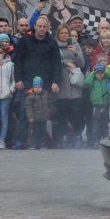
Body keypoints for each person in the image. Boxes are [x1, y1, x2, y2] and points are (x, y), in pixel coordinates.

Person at [12, 15, 61, 150]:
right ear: (34, 27)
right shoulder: (25, 40)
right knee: (24, 112)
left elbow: (57, 64)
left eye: (44, 27)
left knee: (42, 114)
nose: (42, 29)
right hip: (27, 82)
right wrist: (18, 79)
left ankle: (37, 141)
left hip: (45, 83)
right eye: (39, 26)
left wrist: (55, 82)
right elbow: (18, 61)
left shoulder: (52, 43)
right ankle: (22, 140)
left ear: (47, 28)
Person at [55, 25, 85, 148]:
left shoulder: (76, 45)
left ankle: (77, 136)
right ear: (58, 34)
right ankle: (64, 136)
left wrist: (75, 53)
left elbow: (82, 63)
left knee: (75, 113)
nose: (64, 35)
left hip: (74, 84)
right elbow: (54, 61)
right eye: (61, 33)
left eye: (66, 33)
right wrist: (65, 63)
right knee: (61, 113)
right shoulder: (54, 46)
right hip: (61, 82)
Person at [84, 64, 110, 148]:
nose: (100, 74)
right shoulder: (93, 83)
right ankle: (96, 141)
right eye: (98, 73)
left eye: (101, 72)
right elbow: (87, 82)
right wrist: (92, 73)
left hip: (106, 105)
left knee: (105, 123)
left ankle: (105, 140)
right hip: (96, 106)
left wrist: (105, 72)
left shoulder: (106, 80)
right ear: (95, 73)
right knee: (96, 125)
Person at [25, 76, 50, 150]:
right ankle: (33, 144)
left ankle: (42, 144)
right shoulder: (30, 96)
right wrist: (30, 117)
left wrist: (48, 113)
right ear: (33, 87)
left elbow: (48, 105)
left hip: (43, 117)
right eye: (35, 87)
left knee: (42, 131)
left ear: (42, 87)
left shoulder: (45, 94)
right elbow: (28, 107)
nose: (37, 89)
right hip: (35, 118)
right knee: (35, 131)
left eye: (39, 87)